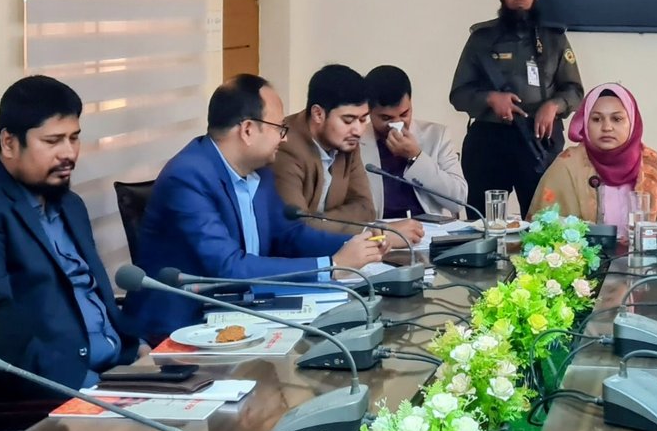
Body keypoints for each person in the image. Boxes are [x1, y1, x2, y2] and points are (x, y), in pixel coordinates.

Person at [129, 75, 387, 343]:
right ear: (248, 130)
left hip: (242, 311)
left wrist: (359, 244)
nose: (284, 139)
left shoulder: (260, 172)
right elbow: (228, 268)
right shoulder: (188, 177)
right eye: (279, 128)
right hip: (183, 328)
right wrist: (332, 266)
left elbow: (290, 236)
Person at [0, 76, 142, 391]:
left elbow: (93, 297)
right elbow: (3, 334)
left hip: (121, 369)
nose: (68, 153)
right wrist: (91, 388)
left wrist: (140, 352)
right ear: (9, 143)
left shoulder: (70, 204)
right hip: (65, 389)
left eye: (74, 138)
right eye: (52, 141)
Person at [449, 0, 584, 216]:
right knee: (484, 219)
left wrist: (553, 106)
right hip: (490, 140)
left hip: (539, 139)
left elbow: (575, 91)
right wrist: (490, 98)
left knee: (542, 220)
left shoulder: (554, 38)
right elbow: (459, 94)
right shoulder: (481, 39)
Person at [273, 64, 424, 245]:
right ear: (318, 114)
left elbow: (366, 209)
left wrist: (318, 221)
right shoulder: (284, 146)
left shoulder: (347, 142)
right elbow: (296, 229)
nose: (358, 130)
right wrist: (378, 234)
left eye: (363, 119)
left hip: (336, 249)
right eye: (348, 120)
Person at [529, 82, 657, 226]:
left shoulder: (654, 164)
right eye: (596, 119)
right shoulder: (567, 164)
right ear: (586, 123)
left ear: (632, 122)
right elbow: (540, 224)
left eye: (617, 119)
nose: (607, 127)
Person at [359, 65, 467, 219]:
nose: (397, 124)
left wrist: (416, 156)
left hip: (428, 228)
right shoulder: (356, 141)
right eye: (386, 118)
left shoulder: (436, 136)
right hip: (381, 229)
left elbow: (458, 200)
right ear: (368, 111)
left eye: (404, 114)